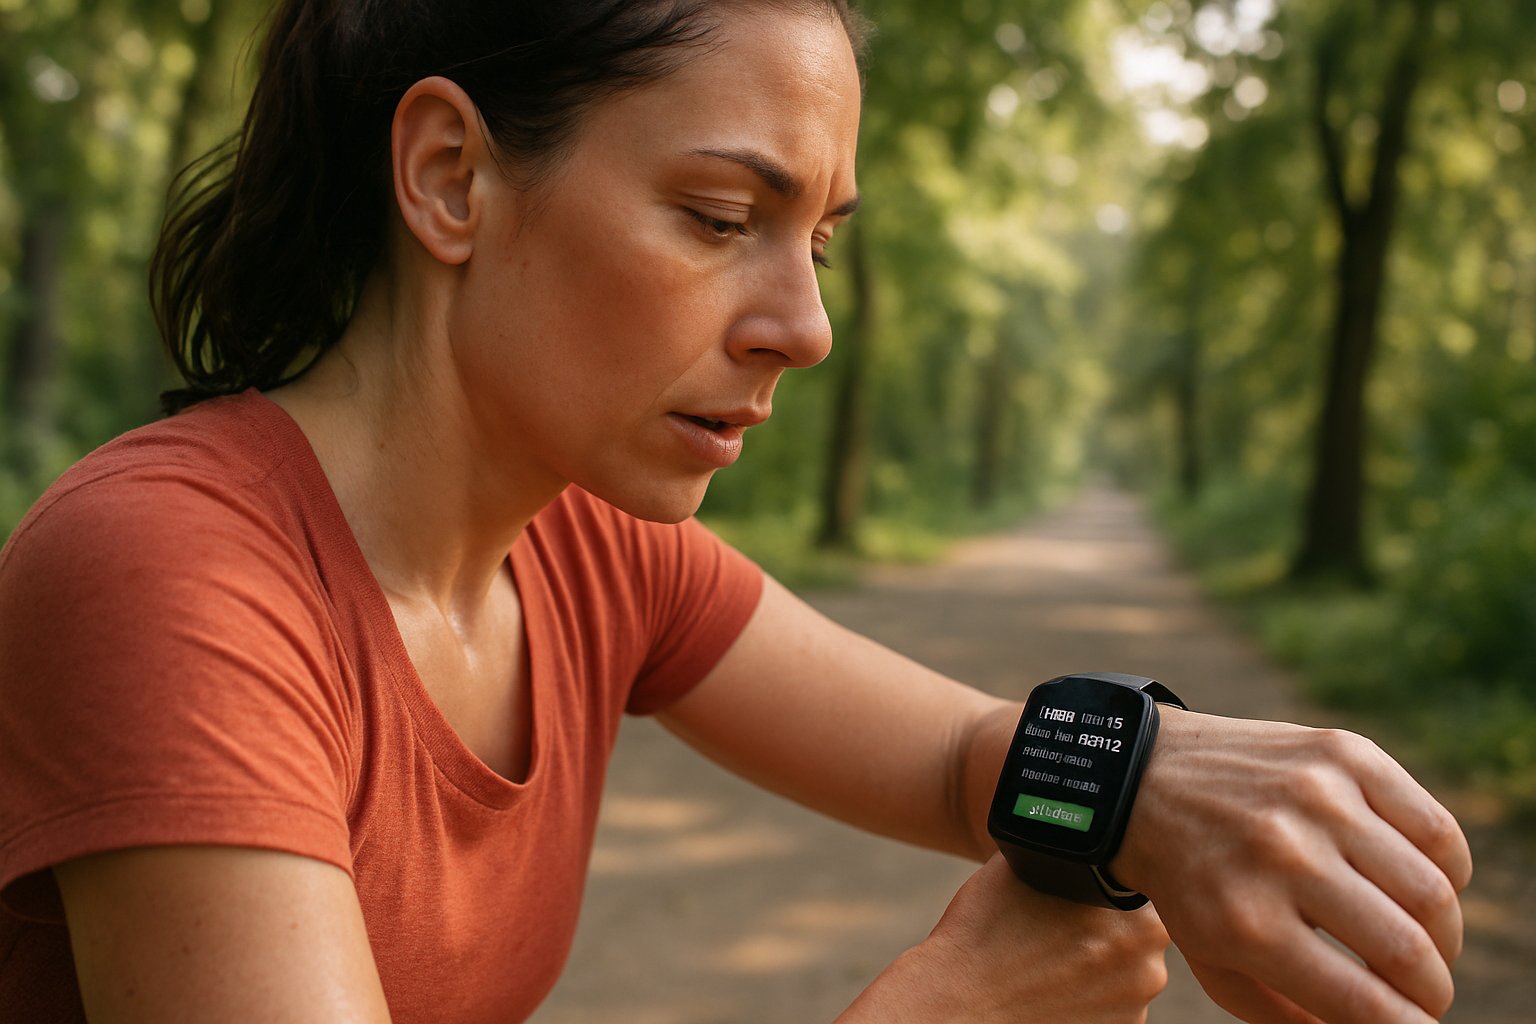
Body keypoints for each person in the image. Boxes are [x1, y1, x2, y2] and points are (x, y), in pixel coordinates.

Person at [0, 1, 1471, 1022]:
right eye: (720, 219)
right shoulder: (175, 573)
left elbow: (964, 758)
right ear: (451, 178)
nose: (806, 324)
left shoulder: (584, 548)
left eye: (820, 241)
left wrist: (1154, 778)